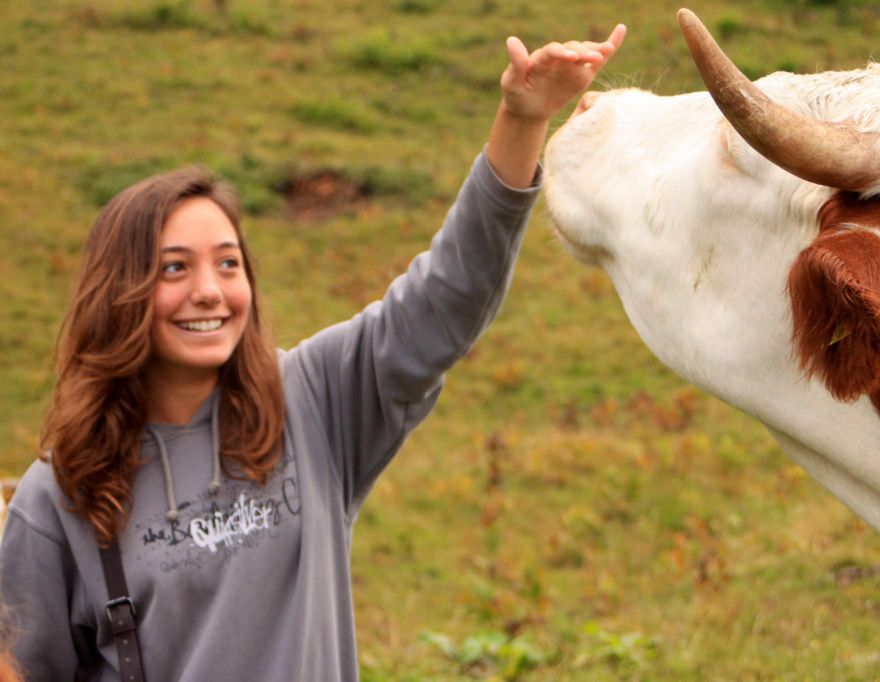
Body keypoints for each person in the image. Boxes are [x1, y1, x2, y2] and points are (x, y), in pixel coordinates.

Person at [0, 24, 626, 681]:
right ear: (120, 291)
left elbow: (446, 300)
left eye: (228, 264)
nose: (209, 292)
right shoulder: (61, 496)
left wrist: (520, 120)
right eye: (174, 269)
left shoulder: (313, 399)